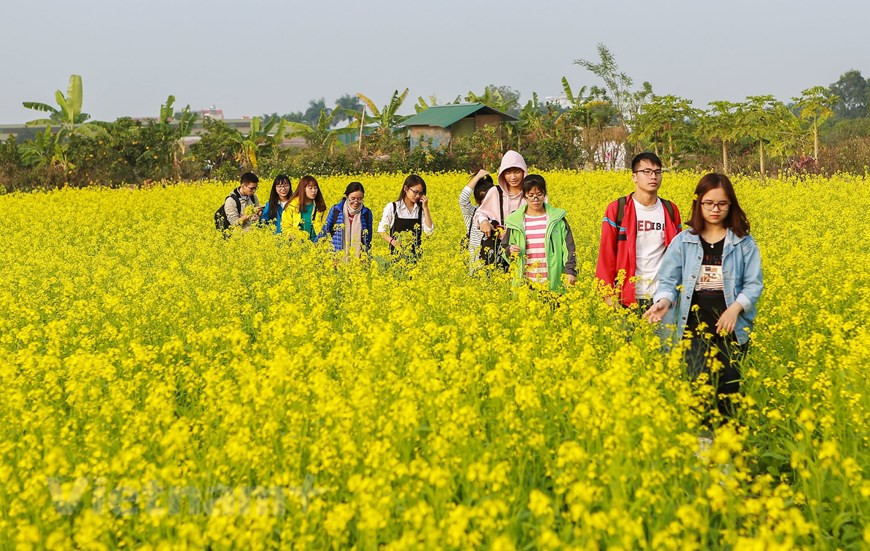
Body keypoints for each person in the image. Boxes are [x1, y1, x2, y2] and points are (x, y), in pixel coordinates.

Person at [643, 173, 763, 420]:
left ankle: (728, 453)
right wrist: (663, 302)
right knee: (697, 393)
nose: (715, 209)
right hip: (692, 330)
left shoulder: (744, 243)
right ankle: (702, 449)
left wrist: (735, 309)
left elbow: (753, 285)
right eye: (708, 203)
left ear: (731, 205)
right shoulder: (684, 241)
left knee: (729, 393)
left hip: (732, 329)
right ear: (698, 203)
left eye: (722, 204)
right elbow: (668, 281)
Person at [596, 152, 682, 310]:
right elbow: (606, 253)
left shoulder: (670, 210)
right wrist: (607, 293)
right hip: (626, 296)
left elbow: (678, 254)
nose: (653, 177)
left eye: (657, 172)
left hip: (662, 297)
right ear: (634, 176)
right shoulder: (617, 209)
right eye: (647, 172)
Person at [500, 175, 577, 292]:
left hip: (553, 281)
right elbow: (504, 248)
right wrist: (510, 250)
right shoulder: (514, 221)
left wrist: (570, 271)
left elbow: (569, 248)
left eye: (539, 194)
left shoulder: (557, 219)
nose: (535, 199)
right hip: (525, 285)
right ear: (524, 196)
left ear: (544, 194)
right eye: (530, 195)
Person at [475, 151, 529, 267]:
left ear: (524, 172)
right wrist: (483, 221)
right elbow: (480, 212)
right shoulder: (496, 192)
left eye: (517, 172)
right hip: (498, 248)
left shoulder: (531, 193)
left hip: (525, 248)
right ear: (502, 174)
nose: (513, 177)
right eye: (508, 173)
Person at [378, 174, 433, 259]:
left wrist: (425, 208)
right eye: (415, 192)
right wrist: (392, 242)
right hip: (396, 256)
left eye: (421, 193)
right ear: (405, 189)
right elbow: (381, 230)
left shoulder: (420, 210)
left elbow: (429, 232)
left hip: (415, 258)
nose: (418, 196)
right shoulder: (393, 207)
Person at [316, 182, 373, 259]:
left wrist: (366, 255)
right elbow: (325, 230)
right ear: (347, 197)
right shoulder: (336, 210)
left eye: (360, 199)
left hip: (359, 261)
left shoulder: (366, 213)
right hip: (337, 258)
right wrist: (314, 247)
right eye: (353, 198)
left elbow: (368, 237)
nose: (356, 202)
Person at [459, 169, 495, 265]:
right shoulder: (472, 213)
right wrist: (477, 177)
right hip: (476, 268)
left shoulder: (499, 214)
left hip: (496, 269)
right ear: (477, 200)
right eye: (482, 199)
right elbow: (463, 200)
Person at [286, 175, 326, 241]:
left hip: (317, 245)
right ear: (303, 189)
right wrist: (298, 237)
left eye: (315, 188)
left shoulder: (320, 207)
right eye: (310, 188)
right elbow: (286, 227)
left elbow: (326, 225)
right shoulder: (292, 206)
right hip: (298, 244)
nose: (313, 191)